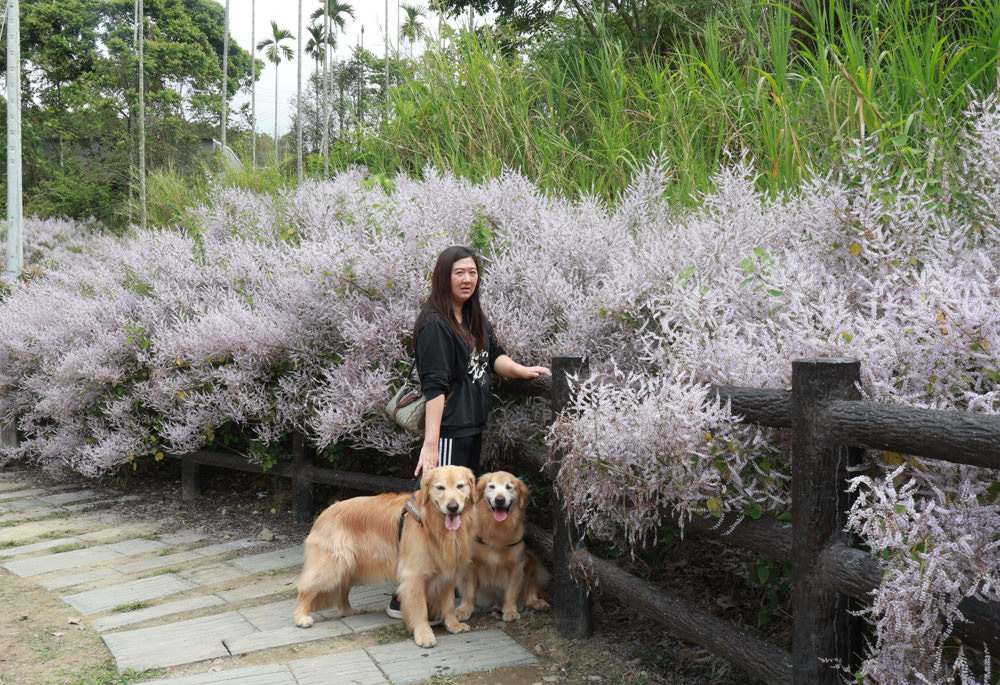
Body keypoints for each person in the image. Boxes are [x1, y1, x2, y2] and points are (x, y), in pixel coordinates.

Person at [387, 245, 551, 619]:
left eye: (472, 273)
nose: (467, 279)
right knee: (431, 515)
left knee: (455, 516)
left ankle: (445, 592)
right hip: (446, 433)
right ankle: (405, 597)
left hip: (471, 428)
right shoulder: (434, 324)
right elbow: (435, 388)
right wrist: (431, 445)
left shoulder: (473, 316)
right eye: (459, 272)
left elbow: (494, 356)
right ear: (444, 276)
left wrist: (522, 370)